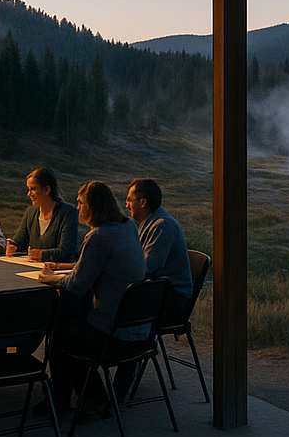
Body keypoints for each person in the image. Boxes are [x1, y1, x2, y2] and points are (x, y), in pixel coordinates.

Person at [39, 181, 145, 419]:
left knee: (61, 334)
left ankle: (82, 398)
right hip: (138, 328)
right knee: (73, 326)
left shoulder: (98, 236)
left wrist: (52, 278)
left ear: (94, 207)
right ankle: (82, 396)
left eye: (81, 203)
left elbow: (77, 286)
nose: (77, 209)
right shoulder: (127, 226)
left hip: (113, 333)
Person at [124, 178, 194, 327]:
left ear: (143, 202)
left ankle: (131, 343)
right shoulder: (148, 223)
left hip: (172, 300)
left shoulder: (162, 226)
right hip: (160, 293)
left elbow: (148, 269)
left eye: (130, 200)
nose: (126, 204)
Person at [5, 167, 80, 264]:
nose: (29, 194)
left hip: (60, 269)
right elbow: (20, 241)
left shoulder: (67, 213)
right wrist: (12, 246)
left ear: (47, 190)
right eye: (28, 189)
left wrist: (43, 255)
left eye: (33, 189)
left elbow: (67, 250)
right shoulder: (31, 212)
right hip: (35, 268)